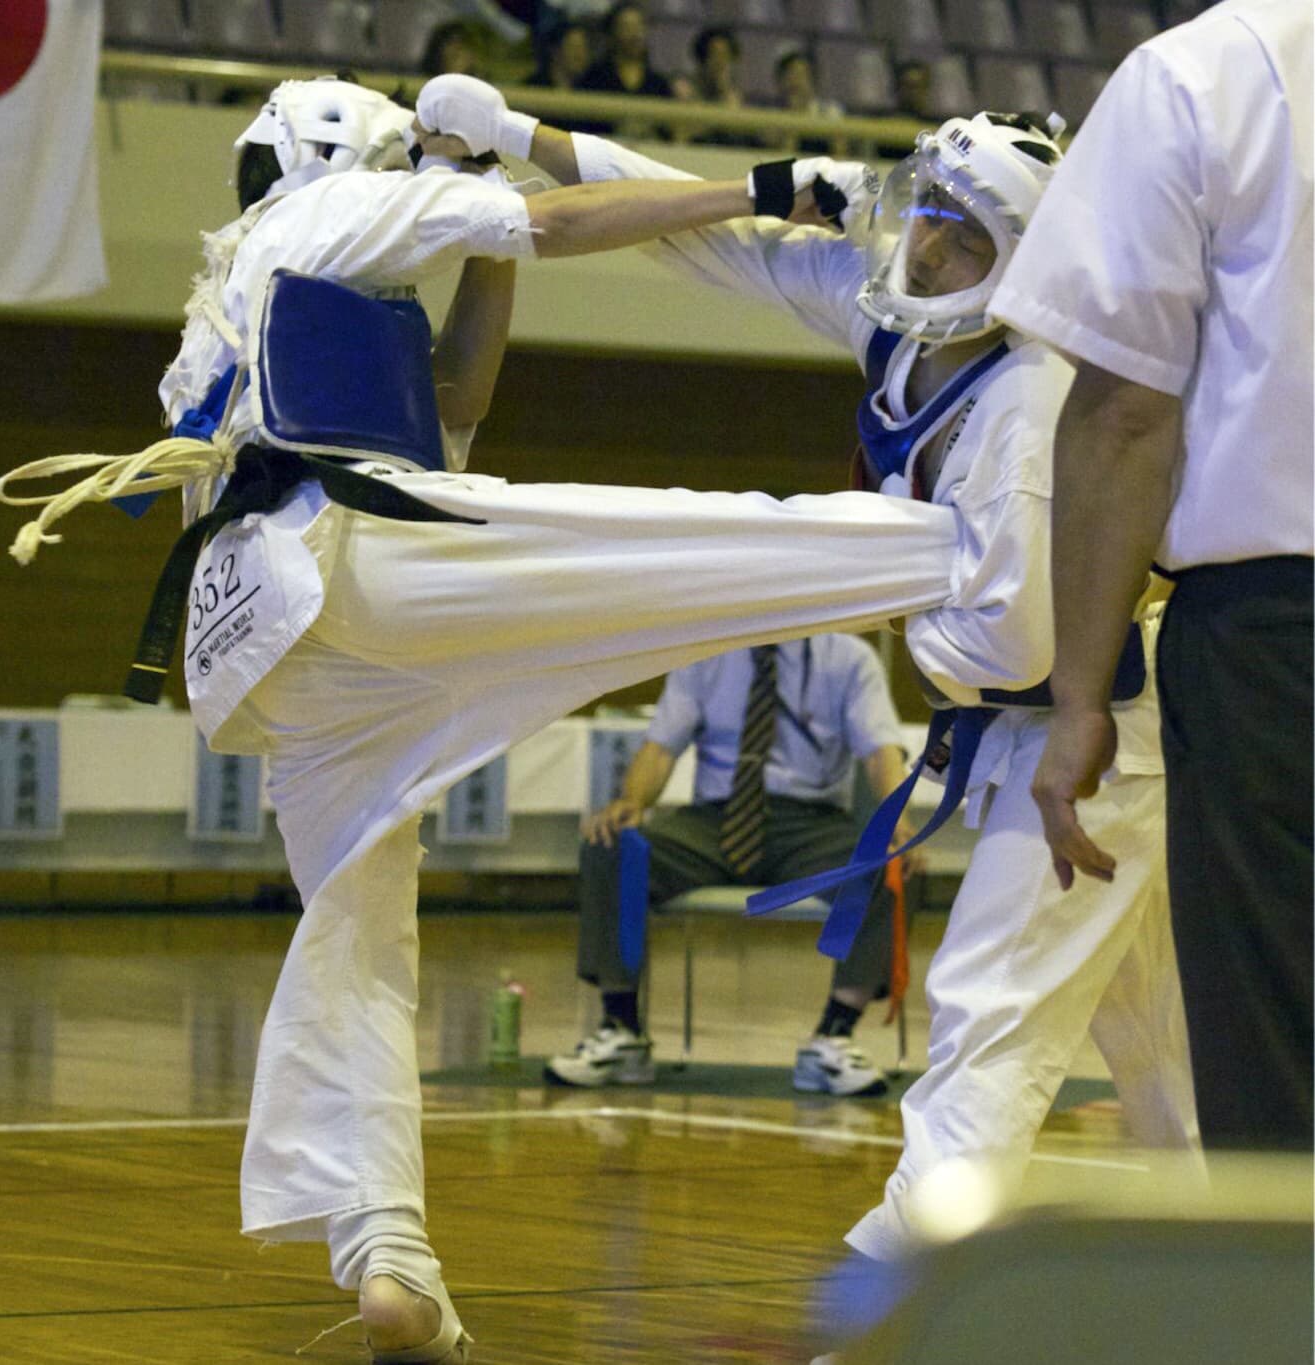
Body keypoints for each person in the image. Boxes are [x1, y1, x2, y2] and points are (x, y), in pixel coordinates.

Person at [0, 76, 965, 1363]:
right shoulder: (336, 209)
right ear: (358, 152)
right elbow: (561, 229)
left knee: (358, 939)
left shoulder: (251, 289)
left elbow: (458, 394)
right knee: (655, 544)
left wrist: (485, 207)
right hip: (348, 552)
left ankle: (388, 1256)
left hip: (259, 638)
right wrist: (766, 189)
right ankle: (970, 554)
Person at [417, 74, 1201, 1286]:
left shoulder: (1033, 406)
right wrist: (522, 134)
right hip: (1021, 736)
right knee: (1159, 1050)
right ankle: (1254, 1262)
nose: (929, 242)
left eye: (965, 232)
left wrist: (849, 575)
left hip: (1081, 745)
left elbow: (1015, 649)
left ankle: (900, 1288)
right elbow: (705, 234)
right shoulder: (898, 315)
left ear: (1022, 269)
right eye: (928, 206)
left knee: (993, 1010)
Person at [991, 0, 1313, 1152]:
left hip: (1281, 645)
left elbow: (1126, 412)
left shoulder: (1201, 75)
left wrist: (1081, 694)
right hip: (1273, 630)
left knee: (1286, 1041)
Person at [547, 634, 914, 1094]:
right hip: (714, 821)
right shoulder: (705, 654)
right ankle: (621, 1030)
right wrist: (632, 800)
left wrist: (895, 819)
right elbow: (660, 748)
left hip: (809, 822)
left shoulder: (848, 658)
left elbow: (881, 751)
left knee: (881, 864)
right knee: (612, 848)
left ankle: (833, 1038)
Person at [575, 1, 675, 138]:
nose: (635, 35)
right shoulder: (593, 78)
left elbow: (668, 131)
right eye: (626, 27)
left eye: (639, 27)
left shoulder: (658, 84)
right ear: (611, 33)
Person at [683, 25, 764, 149]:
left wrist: (724, 90)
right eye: (714, 55)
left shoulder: (736, 95)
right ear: (703, 59)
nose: (719, 62)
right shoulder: (686, 89)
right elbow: (690, 131)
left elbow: (736, 129)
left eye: (725, 56)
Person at [769, 48, 844, 156]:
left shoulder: (829, 111)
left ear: (813, 79)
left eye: (801, 75)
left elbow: (840, 153)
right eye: (789, 75)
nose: (795, 81)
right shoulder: (772, 113)